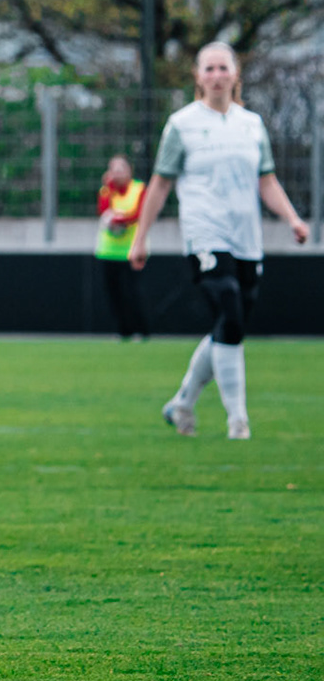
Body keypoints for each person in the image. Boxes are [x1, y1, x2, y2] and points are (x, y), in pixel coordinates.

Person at [129, 42, 311, 439]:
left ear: (235, 74)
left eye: (222, 68)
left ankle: (182, 403)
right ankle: (238, 420)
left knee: (230, 325)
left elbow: (266, 180)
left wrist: (293, 218)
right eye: (208, 69)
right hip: (205, 234)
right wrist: (140, 239)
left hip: (247, 238)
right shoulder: (182, 124)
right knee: (227, 305)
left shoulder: (251, 124)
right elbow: (160, 184)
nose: (216, 76)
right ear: (198, 76)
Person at [95, 155, 150, 339]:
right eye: (114, 170)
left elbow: (138, 213)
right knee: (115, 294)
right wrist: (109, 188)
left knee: (132, 293)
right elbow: (103, 211)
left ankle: (141, 331)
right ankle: (123, 331)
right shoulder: (107, 190)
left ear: (129, 170)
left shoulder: (139, 188)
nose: (117, 174)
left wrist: (120, 219)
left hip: (131, 251)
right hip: (109, 251)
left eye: (121, 169)